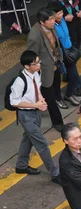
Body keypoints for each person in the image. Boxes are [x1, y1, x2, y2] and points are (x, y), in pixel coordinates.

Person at [10, 50, 60, 184]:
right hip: (26, 115)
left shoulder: (36, 74)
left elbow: (37, 90)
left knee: (28, 139)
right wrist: (35, 104)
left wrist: (41, 100)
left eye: (38, 62)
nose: (38, 65)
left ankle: (21, 165)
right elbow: (14, 102)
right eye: (35, 63)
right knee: (41, 143)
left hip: (35, 112)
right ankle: (55, 173)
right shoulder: (19, 82)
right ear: (27, 66)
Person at [27, 8, 65, 130]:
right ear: (42, 22)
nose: (54, 21)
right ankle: (57, 122)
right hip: (45, 71)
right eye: (51, 19)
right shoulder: (35, 36)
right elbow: (32, 56)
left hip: (55, 65)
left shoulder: (51, 27)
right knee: (50, 97)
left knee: (55, 89)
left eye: (54, 18)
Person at [48, 1, 81, 107]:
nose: (61, 15)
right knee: (59, 77)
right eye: (58, 13)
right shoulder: (51, 26)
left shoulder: (63, 20)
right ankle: (60, 97)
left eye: (61, 12)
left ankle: (69, 94)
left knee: (72, 75)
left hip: (69, 51)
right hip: (60, 55)